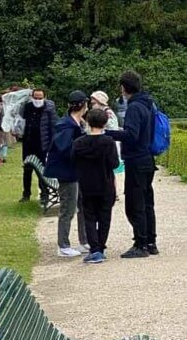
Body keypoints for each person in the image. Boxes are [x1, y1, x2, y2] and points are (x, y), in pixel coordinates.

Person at [106, 71, 157, 258]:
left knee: (135, 203)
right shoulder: (148, 104)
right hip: (147, 158)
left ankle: (140, 243)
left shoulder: (134, 107)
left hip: (136, 159)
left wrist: (109, 133)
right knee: (147, 202)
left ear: (124, 87)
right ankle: (151, 241)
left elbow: (131, 135)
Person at [44, 90, 89, 257]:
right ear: (83, 105)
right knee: (68, 208)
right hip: (67, 172)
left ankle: (84, 241)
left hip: (76, 171)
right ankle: (63, 244)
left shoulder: (77, 124)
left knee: (82, 205)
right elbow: (65, 149)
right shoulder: (66, 125)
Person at [71, 109, 119, 264]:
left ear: (88, 122)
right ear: (105, 123)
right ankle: (101, 247)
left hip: (87, 184)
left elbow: (73, 161)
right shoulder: (109, 142)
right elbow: (114, 164)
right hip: (105, 184)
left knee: (89, 217)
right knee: (105, 217)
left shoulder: (78, 143)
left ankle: (95, 248)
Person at [18, 88, 58, 204]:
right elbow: (21, 121)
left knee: (42, 170)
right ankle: (26, 193)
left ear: (44, 98)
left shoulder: (49, 109)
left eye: (40, 98)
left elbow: (53, 127)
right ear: (32, 97)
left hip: (43, 144)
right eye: (35, 98)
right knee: (27, 169)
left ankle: (44, 193)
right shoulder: (28, 107)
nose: (38, 100)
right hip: (28, 142)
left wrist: (52, 144)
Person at [90, 90, 124, 174]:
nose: (92, 106)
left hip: (110, 146)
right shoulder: (104, 113)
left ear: (100, 102)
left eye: (94, 104)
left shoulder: (108, 113)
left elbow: (112, 130)